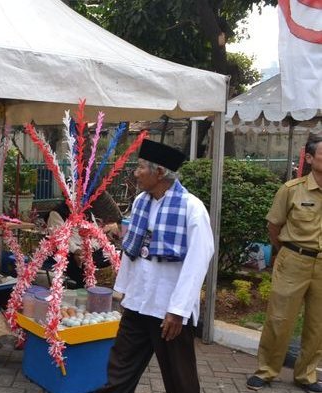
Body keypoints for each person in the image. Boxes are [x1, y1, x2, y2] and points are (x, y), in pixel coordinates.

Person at [97, 140, 214, 393]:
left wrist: (178, 310)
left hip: (168, 311)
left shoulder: (191, 208)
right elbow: (134, 249)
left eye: (140, 167)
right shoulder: (141, 202)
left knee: (179, 380)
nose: (135, 173)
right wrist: (125, 290)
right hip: (138, 302)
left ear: (159, 172)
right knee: (119, 373)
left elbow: (198, 261)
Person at [246, 137, 322, 393]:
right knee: (279, 319)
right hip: (293, 260)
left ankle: (306, 376)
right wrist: (285, 251)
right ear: (309, 159)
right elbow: (274, 226)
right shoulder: (291, 189)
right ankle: (266, 371)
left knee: (317, 324)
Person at [46, 192, 121, 288]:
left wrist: (91, 248)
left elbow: (95, 234)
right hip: (69, 252)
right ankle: (84, 286)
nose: (79, 201)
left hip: (89, 249)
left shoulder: (87, 211)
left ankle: (101, 284)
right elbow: (60, 239)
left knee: (111, 256)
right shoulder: (57, 213)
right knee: (82, 262)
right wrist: (77, 251)